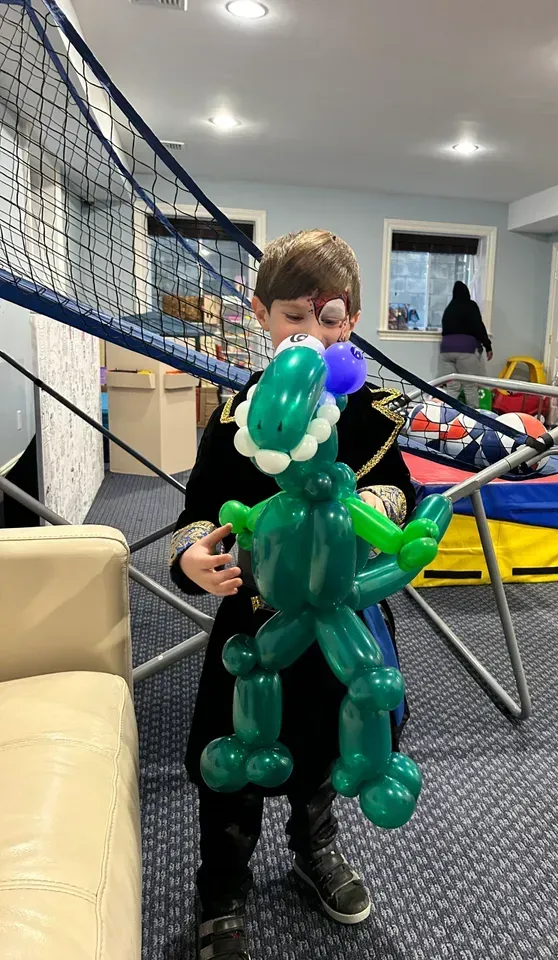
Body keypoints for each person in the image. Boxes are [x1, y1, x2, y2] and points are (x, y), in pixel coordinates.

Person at [169, 229, 416, 960]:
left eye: (331, 317)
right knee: (240, 750)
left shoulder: (372, 411)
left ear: (353, 322)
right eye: (295, 317)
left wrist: (374, 507)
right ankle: (222, 882)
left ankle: (315, 848)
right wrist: (192, 556)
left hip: (340, 619)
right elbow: (198, 510)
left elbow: (401, 489)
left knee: (325, 745)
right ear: (260, 315)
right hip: (254, 622)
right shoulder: (235, 416)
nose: (313, 333)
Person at [437, 280, 493, 409]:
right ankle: (473, 419)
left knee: (452, 386)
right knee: (470, 386)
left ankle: (448, 415)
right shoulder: (470, 306)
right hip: (466, 350)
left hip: (446, 350)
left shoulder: (449, 308)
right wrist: (488, 346)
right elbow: (478, 327)